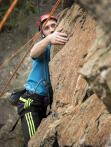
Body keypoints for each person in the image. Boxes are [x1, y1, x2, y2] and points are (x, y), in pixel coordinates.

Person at [17, 13, 68, 146]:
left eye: (53, 25)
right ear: (43, 33)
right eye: (46, 28)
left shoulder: (56, 45)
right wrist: (48, 39)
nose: (51, 29)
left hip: (43, 104)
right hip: (30, 102)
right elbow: (33, 53)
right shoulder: (44, 46)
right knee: (35, 144)